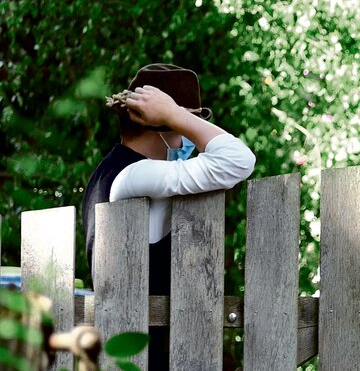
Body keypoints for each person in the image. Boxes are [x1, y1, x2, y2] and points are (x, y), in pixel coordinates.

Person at [81, 64, 256, 369]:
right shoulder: (134, 176)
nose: (188, 142)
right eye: (184, 128)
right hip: (149, 356)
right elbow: (239, 161)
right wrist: (177, 115)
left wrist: (175, 116)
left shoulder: (112, 172)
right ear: (160, 125)